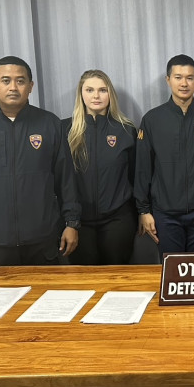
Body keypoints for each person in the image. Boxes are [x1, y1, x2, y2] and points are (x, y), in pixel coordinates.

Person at [0, 56, 80, 279]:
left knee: (47, 298)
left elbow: (66, 179)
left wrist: (72, 223)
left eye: (20, 81)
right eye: (6, 80)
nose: (13, 87)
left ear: (30, 86)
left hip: (43, 241)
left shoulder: (49, 124)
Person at [135, 54, 194, 255]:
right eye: (178, 77)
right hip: (165, 215)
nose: (184, 83)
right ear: (168, 79)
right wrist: (143, 210)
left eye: (189, 77)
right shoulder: (152, 120)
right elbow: (143, 169)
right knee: (172, 270)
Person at [62, 70, 138, 265]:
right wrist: (69, 220)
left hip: (118, 220)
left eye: (102, 90)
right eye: (90, 90)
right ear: (81, 94)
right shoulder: (64, 130)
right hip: (79, 223)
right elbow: (59, 180)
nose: (96, 96)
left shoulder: (126, 131)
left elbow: (135, 176)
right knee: (85, 279)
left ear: (110, 94)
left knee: (116, 277)